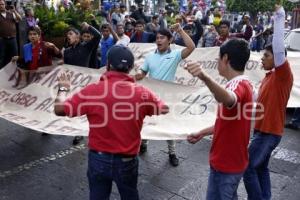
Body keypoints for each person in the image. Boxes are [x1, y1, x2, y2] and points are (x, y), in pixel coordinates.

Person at [54, 45, 169, 200]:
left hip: (98, 158)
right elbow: (163, 109)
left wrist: (62, 89)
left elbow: (60, 109)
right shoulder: (143, 94)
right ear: (131, 68)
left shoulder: (92, 90)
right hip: (127, 159)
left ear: (107, 65)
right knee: (130, 194)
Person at [185, 38, 253, 199]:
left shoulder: (239, 86)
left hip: (227, 165)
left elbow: (229, 98)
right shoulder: (244, 84)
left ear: (225, 58)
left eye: (218, 57)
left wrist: (204, 76)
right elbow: (227, 122)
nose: (217, 61)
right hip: (228, 163)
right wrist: (202, 132)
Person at [243, 5, 294, 200]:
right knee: (261, 168)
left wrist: (279, 17)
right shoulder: (267, 77)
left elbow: (279, 47)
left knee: (247, 167)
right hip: (261, 131)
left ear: (278, 59)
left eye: (266, 56)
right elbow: (255, 99)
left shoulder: (283, 75)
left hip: (269, 133)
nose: (261, 59)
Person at [135, 24, 195, 167]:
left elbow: (191, 47)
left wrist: (180, 30)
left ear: (170, 40)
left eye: (162, 38)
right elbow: (143, 73)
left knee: (169, 126)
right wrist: (138, 75)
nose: (159, 40)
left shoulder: (175, 55)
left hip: (168, 99)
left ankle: (172, 152)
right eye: (157, 38)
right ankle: (144, 143)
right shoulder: (149, 57)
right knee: (147, 122)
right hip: (150, 98)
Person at [63, 22, 101, 144]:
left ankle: (91, 130)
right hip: (73, 85)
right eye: (67, 34)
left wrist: (88, 27)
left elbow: (98, 36)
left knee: (88, 109)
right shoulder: (67, 51)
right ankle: (78, 132)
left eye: (71, 33)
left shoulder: (86, 47)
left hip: (86, 84)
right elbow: (66, 69)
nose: (68, 36)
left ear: (78, 36)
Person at [0, 0, 22, 68]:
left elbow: (20, 19)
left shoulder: (11, 13)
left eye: (2, 4)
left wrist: (14, 11)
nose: (1, 6)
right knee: (1, 57)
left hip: (12, 39)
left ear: (5, 5)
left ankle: (15, 71)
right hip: (2, 39)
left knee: (14, 56)